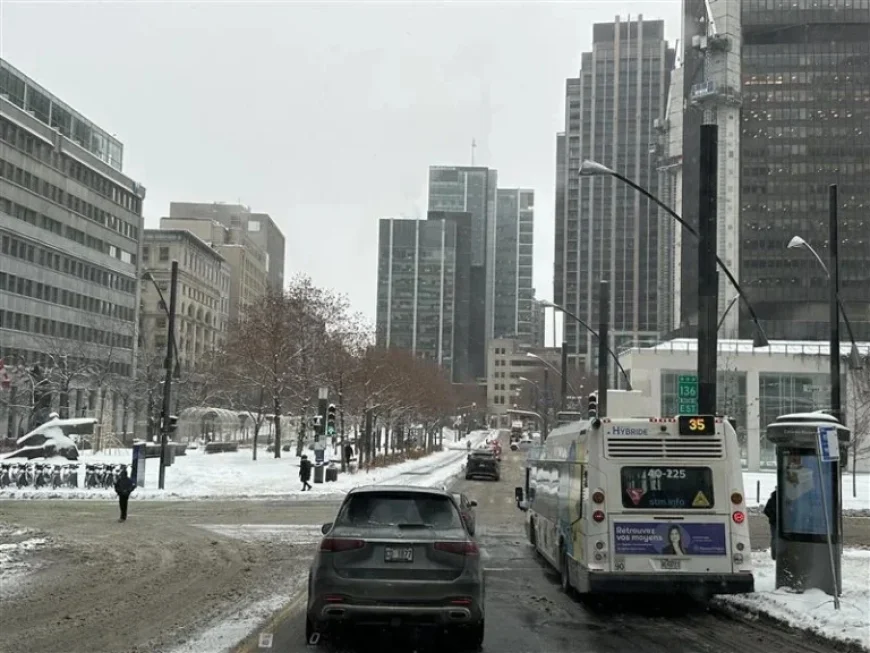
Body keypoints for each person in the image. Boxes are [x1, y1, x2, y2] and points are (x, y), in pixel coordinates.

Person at [764, 489, 778, 560]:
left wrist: (772, 516)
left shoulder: (772, 499)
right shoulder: (783, 498)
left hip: (773, 522)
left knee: (774, 538)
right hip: (776, 522)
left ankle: (774, 555)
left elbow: (766, 510)